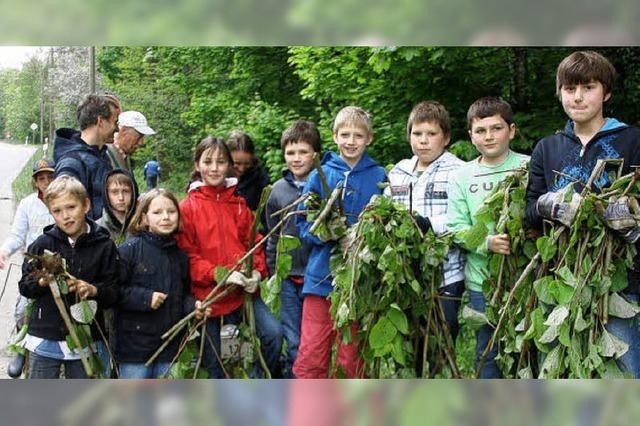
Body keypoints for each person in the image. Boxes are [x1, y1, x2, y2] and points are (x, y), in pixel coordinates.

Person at [525, 51, 640, 377]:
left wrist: (632, 221)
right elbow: (529, 214)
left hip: (618, 278)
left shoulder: (633, 140)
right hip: (560, 275)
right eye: (569, 88)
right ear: (559, 92)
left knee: (625, 367)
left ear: (606, 93)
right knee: (562, 369)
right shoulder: (547, 147)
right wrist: (547, 206)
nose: (577, 96)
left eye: (588, 87)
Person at [176, 136, 283, 378]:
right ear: (197, 165)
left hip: (243, 293)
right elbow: (187, 256)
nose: (214, 168)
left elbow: (255, 244)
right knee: (217, 362)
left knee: (273, 335)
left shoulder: (238, 204)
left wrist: (256, 271)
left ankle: (256, 377)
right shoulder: (188, 208)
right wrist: (220, 275)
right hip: (209, 298)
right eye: (208, 161)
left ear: (229, 166)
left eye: (221, 162)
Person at [293, 106, 387, 378]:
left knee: (351, 355)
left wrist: (364, 238)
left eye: (358, 135)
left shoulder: (379, 176)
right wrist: (326, 232)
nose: (351, 141)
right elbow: (303, 225)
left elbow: (385, 225)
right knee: (312, 350)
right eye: (345, 134)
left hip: (360, 280)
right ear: (334, 136)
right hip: (320, 277)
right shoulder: (319, 175)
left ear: (369, 138)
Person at [447, 97, 529, 378]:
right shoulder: (461, 176)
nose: (489, 136)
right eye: (480, 131)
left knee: (525, 348)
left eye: (496, 128)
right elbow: (456, 227)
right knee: (488, 350)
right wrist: (486, 242)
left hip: (524, 277)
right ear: (470, 136)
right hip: (482, 280)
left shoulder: (528, 166)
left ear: (512, 130)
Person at [384, 101, 465, 361]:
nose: (423, 141)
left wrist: (429, 224)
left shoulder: (459, 171)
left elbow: (462, 219)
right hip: (407, 272)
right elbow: (386, 207)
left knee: (442, 336)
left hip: (446, 271)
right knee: (412, 341)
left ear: (446, 138)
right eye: (417, 134)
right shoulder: (399, 171)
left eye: (432, 134)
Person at [17, 176, 119, 378]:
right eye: (57, 211)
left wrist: (93, 290)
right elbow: (24, 286)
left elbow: (114, 291)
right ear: (51, 213)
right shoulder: (42, 245)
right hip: (45, 334)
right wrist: (41, 281)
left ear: (86, 205)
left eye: (71, 207)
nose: (66, 216)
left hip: (86, 336)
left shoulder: (104, 246)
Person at [115, 188, 210, 379]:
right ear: (144, 218)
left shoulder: (180, 256)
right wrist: (144, 298)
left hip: (170, 346)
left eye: (171, 211)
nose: (165, 217)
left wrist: (194, 307)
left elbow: (182, 294)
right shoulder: (128, 251)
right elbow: (113, 291)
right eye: (157, 212)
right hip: (135, 349)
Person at [264, 120, 321, 378]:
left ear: (315, 154)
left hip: (317, 277)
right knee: (293, 339)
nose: (296, 158)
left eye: (303, 152)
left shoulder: (324, 185)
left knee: (312, 343)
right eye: (290, 152)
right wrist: (274, 270)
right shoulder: (277, 191)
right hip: (288, 279)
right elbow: (272, 235)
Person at [0, 158, 55, 378]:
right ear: (35, 182)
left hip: (59, 264)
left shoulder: (64, 199)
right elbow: (17, 235)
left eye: (50, 177)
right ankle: (20, 347)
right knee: (23, 309)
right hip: (34, 266)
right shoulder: (28, 204)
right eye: (41, 178)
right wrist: (4, 251)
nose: (46, 182)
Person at [53, 94, 121, 220]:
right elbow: (68, 216)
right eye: (114, 122)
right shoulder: (71, 163)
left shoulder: (102, 157)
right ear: (100, 121)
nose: (117, 129)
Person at [227, 131, 270, 211]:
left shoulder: (260, 179)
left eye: (247, 164)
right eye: (237, 163)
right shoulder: (218, 177)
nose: (241, 169)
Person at [96, 169, 139, 244]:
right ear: (106, 195)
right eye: (115, 192)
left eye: (126, 191)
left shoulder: (142, 225)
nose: (121, 198)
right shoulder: (97, 229)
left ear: (133, 193)